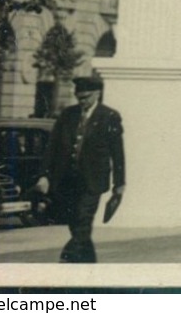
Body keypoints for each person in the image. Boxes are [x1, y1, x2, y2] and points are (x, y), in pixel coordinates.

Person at [35, 74, 125, 263]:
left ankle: (68, 257)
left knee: (84, 218)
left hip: (94, 179)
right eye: (79, 97)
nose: (82, 101)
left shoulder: (109, 116)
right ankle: (88, 262)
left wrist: (120, 182)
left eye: (86, 97)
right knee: (75, 222)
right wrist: (44, 175)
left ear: (97, 94)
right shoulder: (68, 115)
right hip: (68, 179)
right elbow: (52, 147)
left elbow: (117, 153)